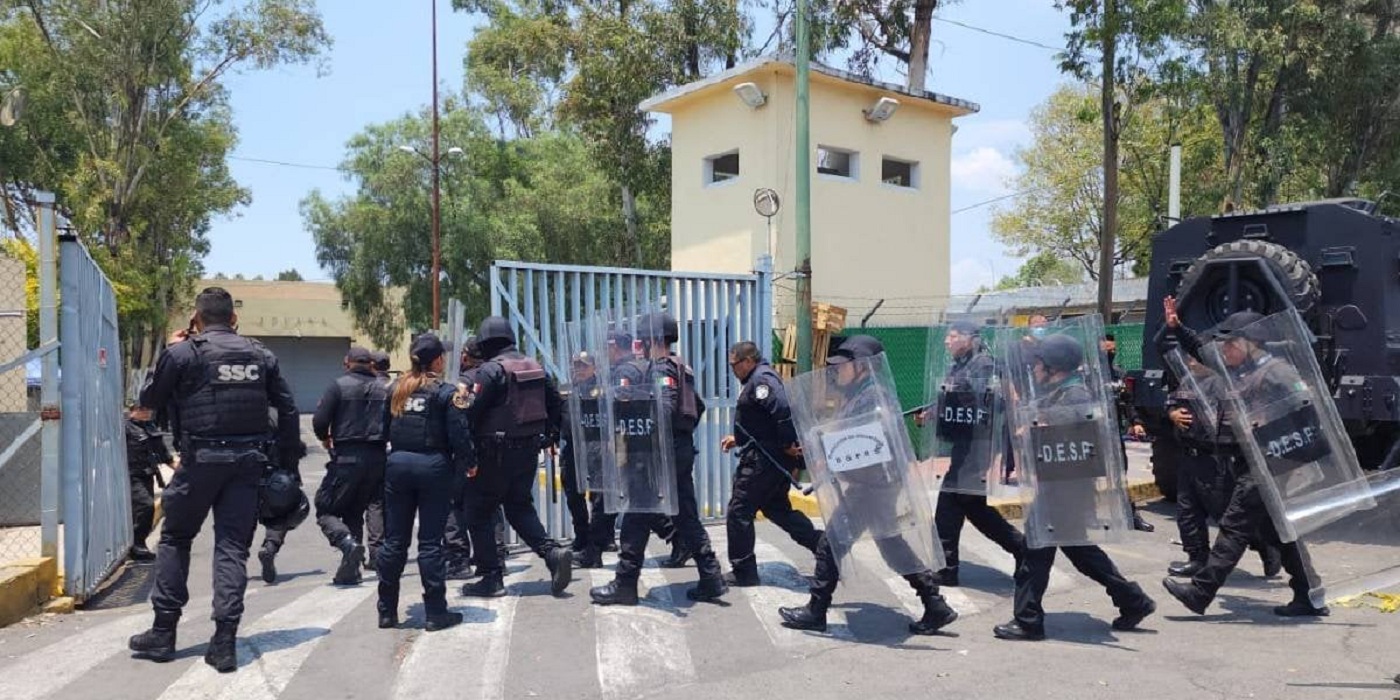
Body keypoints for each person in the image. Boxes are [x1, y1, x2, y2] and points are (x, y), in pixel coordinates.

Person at [128, 287, 300, 673]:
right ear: (234, 319)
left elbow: (150, 398)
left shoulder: (183, 352)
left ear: (197, 318)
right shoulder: (260, 355)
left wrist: (171, 350)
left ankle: (163, 633)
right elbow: (287, 409)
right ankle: (224, 643)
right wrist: (287, 462)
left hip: (200, 460)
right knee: (232, 549)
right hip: (247, 463)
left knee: (174, 538)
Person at [778, 336, 958, 635]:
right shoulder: (864, 393)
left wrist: (830, 453)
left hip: (872, 485)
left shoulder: (872, 396)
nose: (838, 372)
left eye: (843, 366)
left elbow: (865, 440)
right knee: (891, 546)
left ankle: (815, 611)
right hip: (874, 484)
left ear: (861, 367)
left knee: (831, 544)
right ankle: (935, 604)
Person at [1160, 304, 1327, 617]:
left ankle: (1200, 592)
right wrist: (1178, 327)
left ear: (1250, 343)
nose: (1223, 349)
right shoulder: (1237, 369)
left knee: (1234, 528)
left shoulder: (1276, 371)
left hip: (1269, 465)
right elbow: (1202, 350)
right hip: (1250, 462)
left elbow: (1308, 409)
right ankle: (1309, 594)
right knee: (1282, 532)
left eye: (1230, 343)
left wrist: (1271, 420)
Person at [993, 333, 1156, 641]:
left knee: (1036, 552)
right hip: (1059, 488)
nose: (1034, 369)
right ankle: (1133, 600)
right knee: (1080, 552)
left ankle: (1028, 621)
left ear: (1054, 366)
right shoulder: (1057, 393)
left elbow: (1072, 431)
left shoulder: (1075, 395)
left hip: (1066, 490)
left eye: (1038, 363)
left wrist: (1038, 424)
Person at [591, 312, 728, 605]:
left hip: (657, 453)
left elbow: (663, 409)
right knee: (686, 515)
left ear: (652, 339)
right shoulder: (682, 366)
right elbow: (698, 406)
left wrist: (643, 430)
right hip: (678, 450)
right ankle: (711, 576)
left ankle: (625, 584)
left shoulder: (661, 368)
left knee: (637, 515)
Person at [459, 317, 574, 598]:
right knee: (519, 507)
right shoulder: (534, 367)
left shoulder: (490, 371)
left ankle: (490, 577)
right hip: (526, 452)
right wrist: (550, 435)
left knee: (478, 512)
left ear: (486, 343)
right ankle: (552, 554)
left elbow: (469, 412)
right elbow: (557, 403)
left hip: (493, 454)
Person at [1157, 338, 1281, 580]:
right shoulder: (1188, 380)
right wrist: (1172, 413)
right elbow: (1172, 401)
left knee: (1227, 514)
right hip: (1188, 455)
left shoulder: (1224, 383)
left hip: (1215, 459)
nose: (1190, 362)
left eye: (1195, 358)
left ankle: (1267, 546)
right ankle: (1196, 557)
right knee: (1187, 511)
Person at [916, 321, 1025, 587]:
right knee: (963, 504)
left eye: (952, 336)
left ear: (969, 338)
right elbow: (951, 395)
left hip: (978, 444)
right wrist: (933, 411)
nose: (947, 341)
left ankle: (1021, 549)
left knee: (956, 502)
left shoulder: (983, 365)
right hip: (963, 443)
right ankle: (948, 567)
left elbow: (991, 402)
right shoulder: (962, 364)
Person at [377, 333, 474, 630]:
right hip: (433, 468)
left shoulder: (396, 389)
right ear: (437, 360)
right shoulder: (447, 393)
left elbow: (383, 430)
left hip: (398, 466)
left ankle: (387, 611)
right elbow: (460, 435)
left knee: (394, 541)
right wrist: (469, 464)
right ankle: (435, 612)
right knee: (431, 542)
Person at [720, 341, 821, 586]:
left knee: (739, 510)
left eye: (734, 365)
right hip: (768, 457)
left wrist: (787, 442)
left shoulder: (761, 379)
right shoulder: (757, 379)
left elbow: (782, 409)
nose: (732, 370)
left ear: (747, 362)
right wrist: (739, 439)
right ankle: (824, 547)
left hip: (764, 461)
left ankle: (744, 571)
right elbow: (761, 421)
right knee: (778, 510)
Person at [312, 346, 390, 586]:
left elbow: (320, 420)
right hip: (378, 457)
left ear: (347, 363)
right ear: (370, 364)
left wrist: (325, 439)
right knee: (358, 510)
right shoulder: (385, 389)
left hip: (347, 457)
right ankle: (353, 567)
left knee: (326, 509)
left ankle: (347, 542)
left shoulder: (338, 385)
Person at [1102, 333, 1155, 533]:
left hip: (1114, 431)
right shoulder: (1087, 374)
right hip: (1093, 433)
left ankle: (1130, 515)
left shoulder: (1119, 375)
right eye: (1106, 347)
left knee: (1120, 473)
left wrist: (1136, 422)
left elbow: (1128, 401)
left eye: (1112, 348)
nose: (1110, 351)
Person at [255, 415, 307, 584]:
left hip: (243, 472)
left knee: (239, 521)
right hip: (278, 475)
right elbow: (294, 446)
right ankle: (270, 546)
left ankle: (232, 561)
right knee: (281, 515)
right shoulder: (283, 410)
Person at [125, 403, 176, 562]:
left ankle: (138, 544)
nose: (147, 412)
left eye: (148, 409)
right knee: (145, 506)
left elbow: (164, 454)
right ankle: (137, 545)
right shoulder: (124, 428)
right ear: (133, 411)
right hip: (131, 475)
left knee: (145, 509)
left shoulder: (149, 427)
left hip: (147, 474)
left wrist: (181, 470)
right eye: (142, 409)